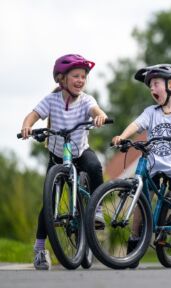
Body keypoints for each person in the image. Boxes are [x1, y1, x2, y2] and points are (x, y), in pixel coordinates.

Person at [20, 54, 108, 270]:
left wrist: (99, 117)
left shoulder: (87, 100)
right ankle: (40, 250)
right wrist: (27, 126)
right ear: (62, 79)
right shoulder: (51, 100)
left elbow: (97, 111)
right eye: (75, 76)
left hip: (79, 152)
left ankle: (97, 210)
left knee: (95, 166)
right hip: (57, 156)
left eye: (83, 77)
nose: (80, 80)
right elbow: (33, 115)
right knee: (48, 202)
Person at [112, 64, 171, 268]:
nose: (152, 89)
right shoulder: (151, 112)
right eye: (150, 86)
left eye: (155, 84)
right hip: (154, 165)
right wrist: (122, 137)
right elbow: (136, 125)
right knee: (140, 200)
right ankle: (134, 243)